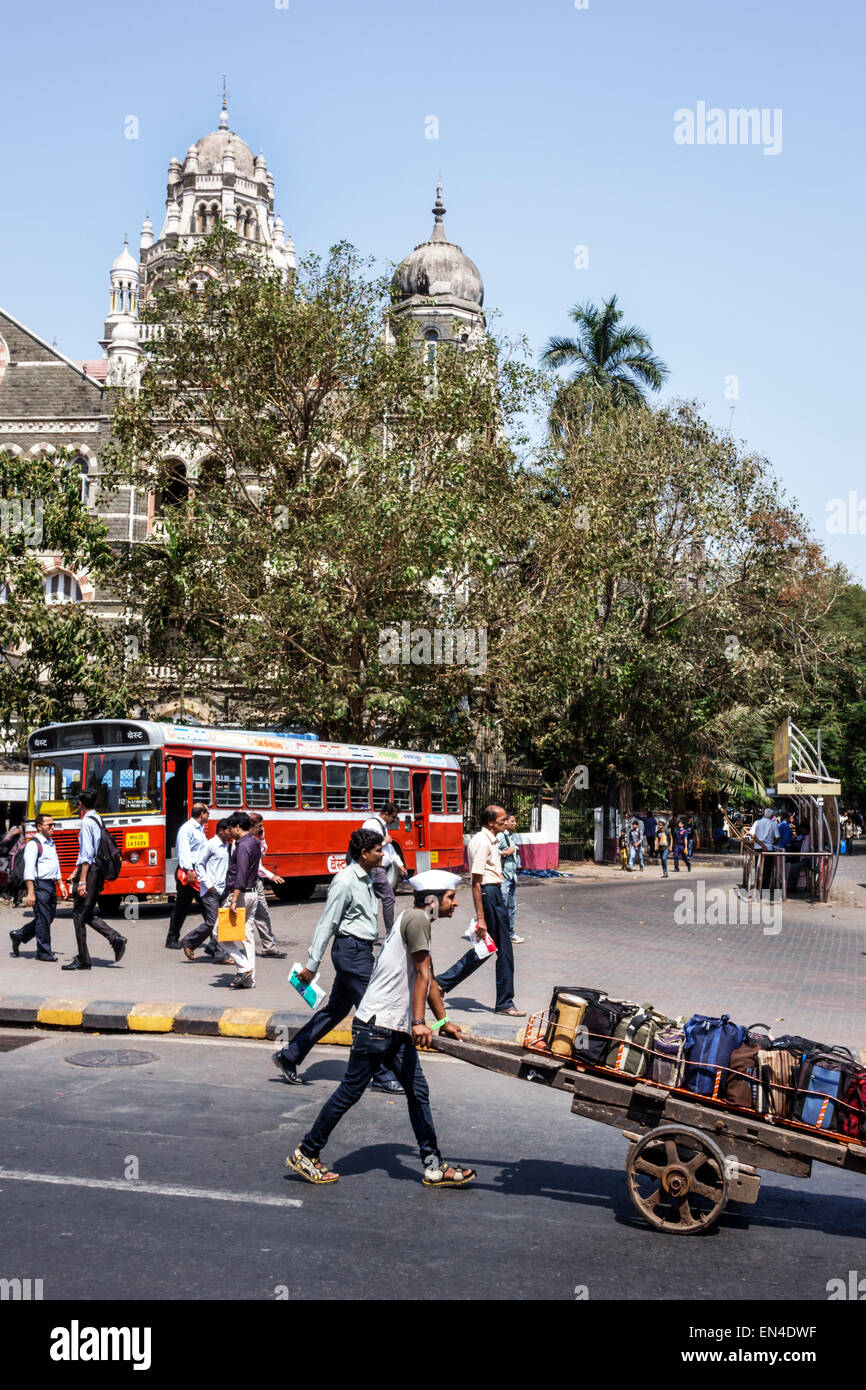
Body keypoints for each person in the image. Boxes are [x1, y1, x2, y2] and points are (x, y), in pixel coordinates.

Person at [286, 869, 476, 1189]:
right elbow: (421, 971)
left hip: (390, 1027)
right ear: (432, 900)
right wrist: (419, 1022)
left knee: (417, 1092)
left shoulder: (417, 920)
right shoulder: (417, 920)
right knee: (350, 1091)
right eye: (451, 897)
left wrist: (442, 1022)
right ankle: (306, 1152)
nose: (456, 903)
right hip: (379, 1027)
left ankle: (432, 1166)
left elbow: (426, 977)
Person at [272, 828, 403, 1093]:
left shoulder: (367, 877)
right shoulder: (345, 880)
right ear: (364, 853)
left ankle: (289, 1055)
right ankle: (382, 1073)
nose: (382, 854)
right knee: (372, 1012)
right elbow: (326, 924)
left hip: (360, 950)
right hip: (350, 952)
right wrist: (312, 964)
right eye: (378, 850)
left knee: (336, 1011)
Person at [435, 805, 523, 1017]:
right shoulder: (482, 842)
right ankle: (504, 1003)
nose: (506, 821)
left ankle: (442, 983)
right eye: (502, 819)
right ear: (491, 822)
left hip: (493, 894)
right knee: (504, 951)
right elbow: (476, 882)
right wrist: (481, 918)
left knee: (487, 947)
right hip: (489, 894)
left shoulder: (491, 840)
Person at [62, 789, 127, 971]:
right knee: (88, 913)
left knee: (79, 915)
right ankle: (115, 938)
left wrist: (81, 880)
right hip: (98, 872)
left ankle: (83, 959)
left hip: (90, 873)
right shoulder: (98, 819)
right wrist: (76, 871)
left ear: (80, 804)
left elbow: (87, 854)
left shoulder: (86, 822)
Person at [9, 812, 63, 961]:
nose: (53, 827)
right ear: (39, 827)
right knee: (44, 918)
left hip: (50, 885)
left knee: (47, 917)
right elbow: (29, 871)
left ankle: (19, 935)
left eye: (54, 824)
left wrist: (60, 883)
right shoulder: (33, 845)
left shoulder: (50, 842)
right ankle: (44, 952)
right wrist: (31, 892)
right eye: (49, 825)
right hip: (39, 885)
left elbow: (55, 865)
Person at [181, 818, 234, 959]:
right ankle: (189, 941)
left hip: (224, 890)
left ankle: (216, 951)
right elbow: (199, 864)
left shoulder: (227, 846)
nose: (231, 833)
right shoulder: (210, 845)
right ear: (221, 831)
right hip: (211, 891)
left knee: (223, 923)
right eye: (229, 830)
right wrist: (209, 885)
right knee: (213, 922)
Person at [221, 811, 262, 989]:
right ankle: (250, 979)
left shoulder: (243, 846)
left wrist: (234, 898)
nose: (230, 832)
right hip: (253, 894)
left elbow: (242, 873)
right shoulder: (254, 842)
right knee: (247, 936)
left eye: (231, 829)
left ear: (238, 827)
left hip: (241, 895)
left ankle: (244, 967)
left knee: (220, 935)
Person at [165, 803, 209, 949]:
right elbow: (183, 851)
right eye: (207, 813)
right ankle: (213, 941)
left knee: (183, 907)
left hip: (197, 871)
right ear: (201, 814)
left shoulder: (200, 829)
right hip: (189, 873)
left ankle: (172, 938)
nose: (208, 816)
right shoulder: (187, 829)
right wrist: (189, 871)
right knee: (206, 905)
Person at [361, 802, 405, 930]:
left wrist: (400, 865)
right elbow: (368, 845)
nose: (395, 820)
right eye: (393, 817)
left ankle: (372, 931)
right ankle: (390, 931)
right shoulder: (371, 825)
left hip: (379, 867)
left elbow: (390, 850)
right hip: (375, 867)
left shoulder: (382, 826)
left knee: (372, 901)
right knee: (389, 898)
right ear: (386, 814)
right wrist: (385, 840)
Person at [247, 813, 287, 958]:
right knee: (240, 918)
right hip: (246, 883)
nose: (262, 828)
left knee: (262, 914)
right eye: (260, 826)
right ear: (252, 826)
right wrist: (271, 876)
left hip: (256, 881)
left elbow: (261, 856)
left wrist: (262, 839)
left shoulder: (254, 840)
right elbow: (256, 865)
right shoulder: (244, 842)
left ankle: (269, 947)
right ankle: (218, 946)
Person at [497, 812, 524, 943]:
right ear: (505, 822)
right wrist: (505, 852)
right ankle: (500, 934)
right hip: (504, 877)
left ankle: (510, 932)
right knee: (503, 905)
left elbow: (514, 852)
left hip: (512, 876)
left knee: (512, 906)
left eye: (515, 821)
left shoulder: (511, 836)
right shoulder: (501, 836)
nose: (515, 823)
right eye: (512, 821)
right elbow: (492, 851)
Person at [747, 806, 780, 895]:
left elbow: (752, 834)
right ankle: (765, 890)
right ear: (772, 815)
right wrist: (771, 842)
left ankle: (757, 887)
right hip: (769, 850)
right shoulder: (774, 824)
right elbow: (777, 837)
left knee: (758, 868)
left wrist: (760, 844)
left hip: (758, 849)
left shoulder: (757, 822)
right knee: (767, 870)